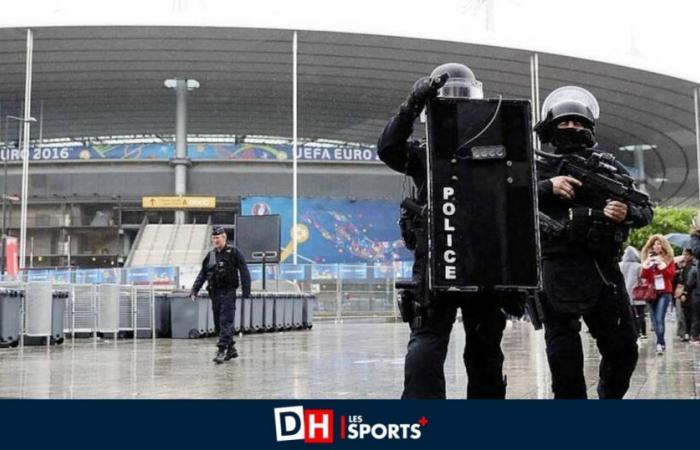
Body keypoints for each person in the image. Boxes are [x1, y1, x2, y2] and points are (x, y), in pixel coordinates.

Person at [378, 62, 514, 399]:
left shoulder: (489, 152)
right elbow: (389, 149)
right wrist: (410, 106)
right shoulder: (432, 154)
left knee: (468, 349)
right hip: (453, 263)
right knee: (444, 348)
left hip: (473, 263)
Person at [535, 86, 653, 399]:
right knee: (564, 359)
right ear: (550, 128)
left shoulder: (609, 166)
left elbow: (644, 207)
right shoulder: (536, 166)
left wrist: (626, 212)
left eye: (579, 124)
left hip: (602, 266)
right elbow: (506, 201)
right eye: (565, 123)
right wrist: (548, 186)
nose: (573, 128)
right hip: (556, 265)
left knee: (624, 348)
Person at [190, 226, 251, 364]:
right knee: (218, 323)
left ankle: (221, 350)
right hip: (215, 293)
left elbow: (244, 272)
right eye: (213, 238)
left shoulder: (233, 253)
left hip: (228, 292)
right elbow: (203, 274)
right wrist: (195, 290)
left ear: (224, 238)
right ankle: (231, 349)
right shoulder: (211, 255)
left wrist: (246, 292)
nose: (215, 240)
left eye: (218, 238)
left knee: (225, 321)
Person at [640, 235, 676, 354]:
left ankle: (660, 343)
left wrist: (661, 264)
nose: (656, 246)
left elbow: (670, 275)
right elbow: (644, 276)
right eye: (654, 244)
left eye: (659, 244)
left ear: (663, 245)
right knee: (654, 320)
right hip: (651, 292)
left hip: (664, 292)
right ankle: (661, 342)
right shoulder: (648, 258)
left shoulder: (668, 258)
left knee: (660, 318)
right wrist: (647, 264)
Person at [620, 246, 646, 340]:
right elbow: (642, 280)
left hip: (625, 293)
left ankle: (631, 331)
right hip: (637, 293)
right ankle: (640, 331)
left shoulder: (620, 265)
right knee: (640, 313)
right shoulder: (639, 266)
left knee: (629, 313)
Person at [673, 249, 694, 342]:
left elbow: (689, 281)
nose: (685, 256)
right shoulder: (681, 267)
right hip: (680, 292)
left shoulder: (692, 267)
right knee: (682, 314)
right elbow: (676, 280)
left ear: (691, 256)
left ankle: (687, 332)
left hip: (688, 293)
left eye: (687, 255)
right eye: (684, 254)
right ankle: (684, 332)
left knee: (686, 314)